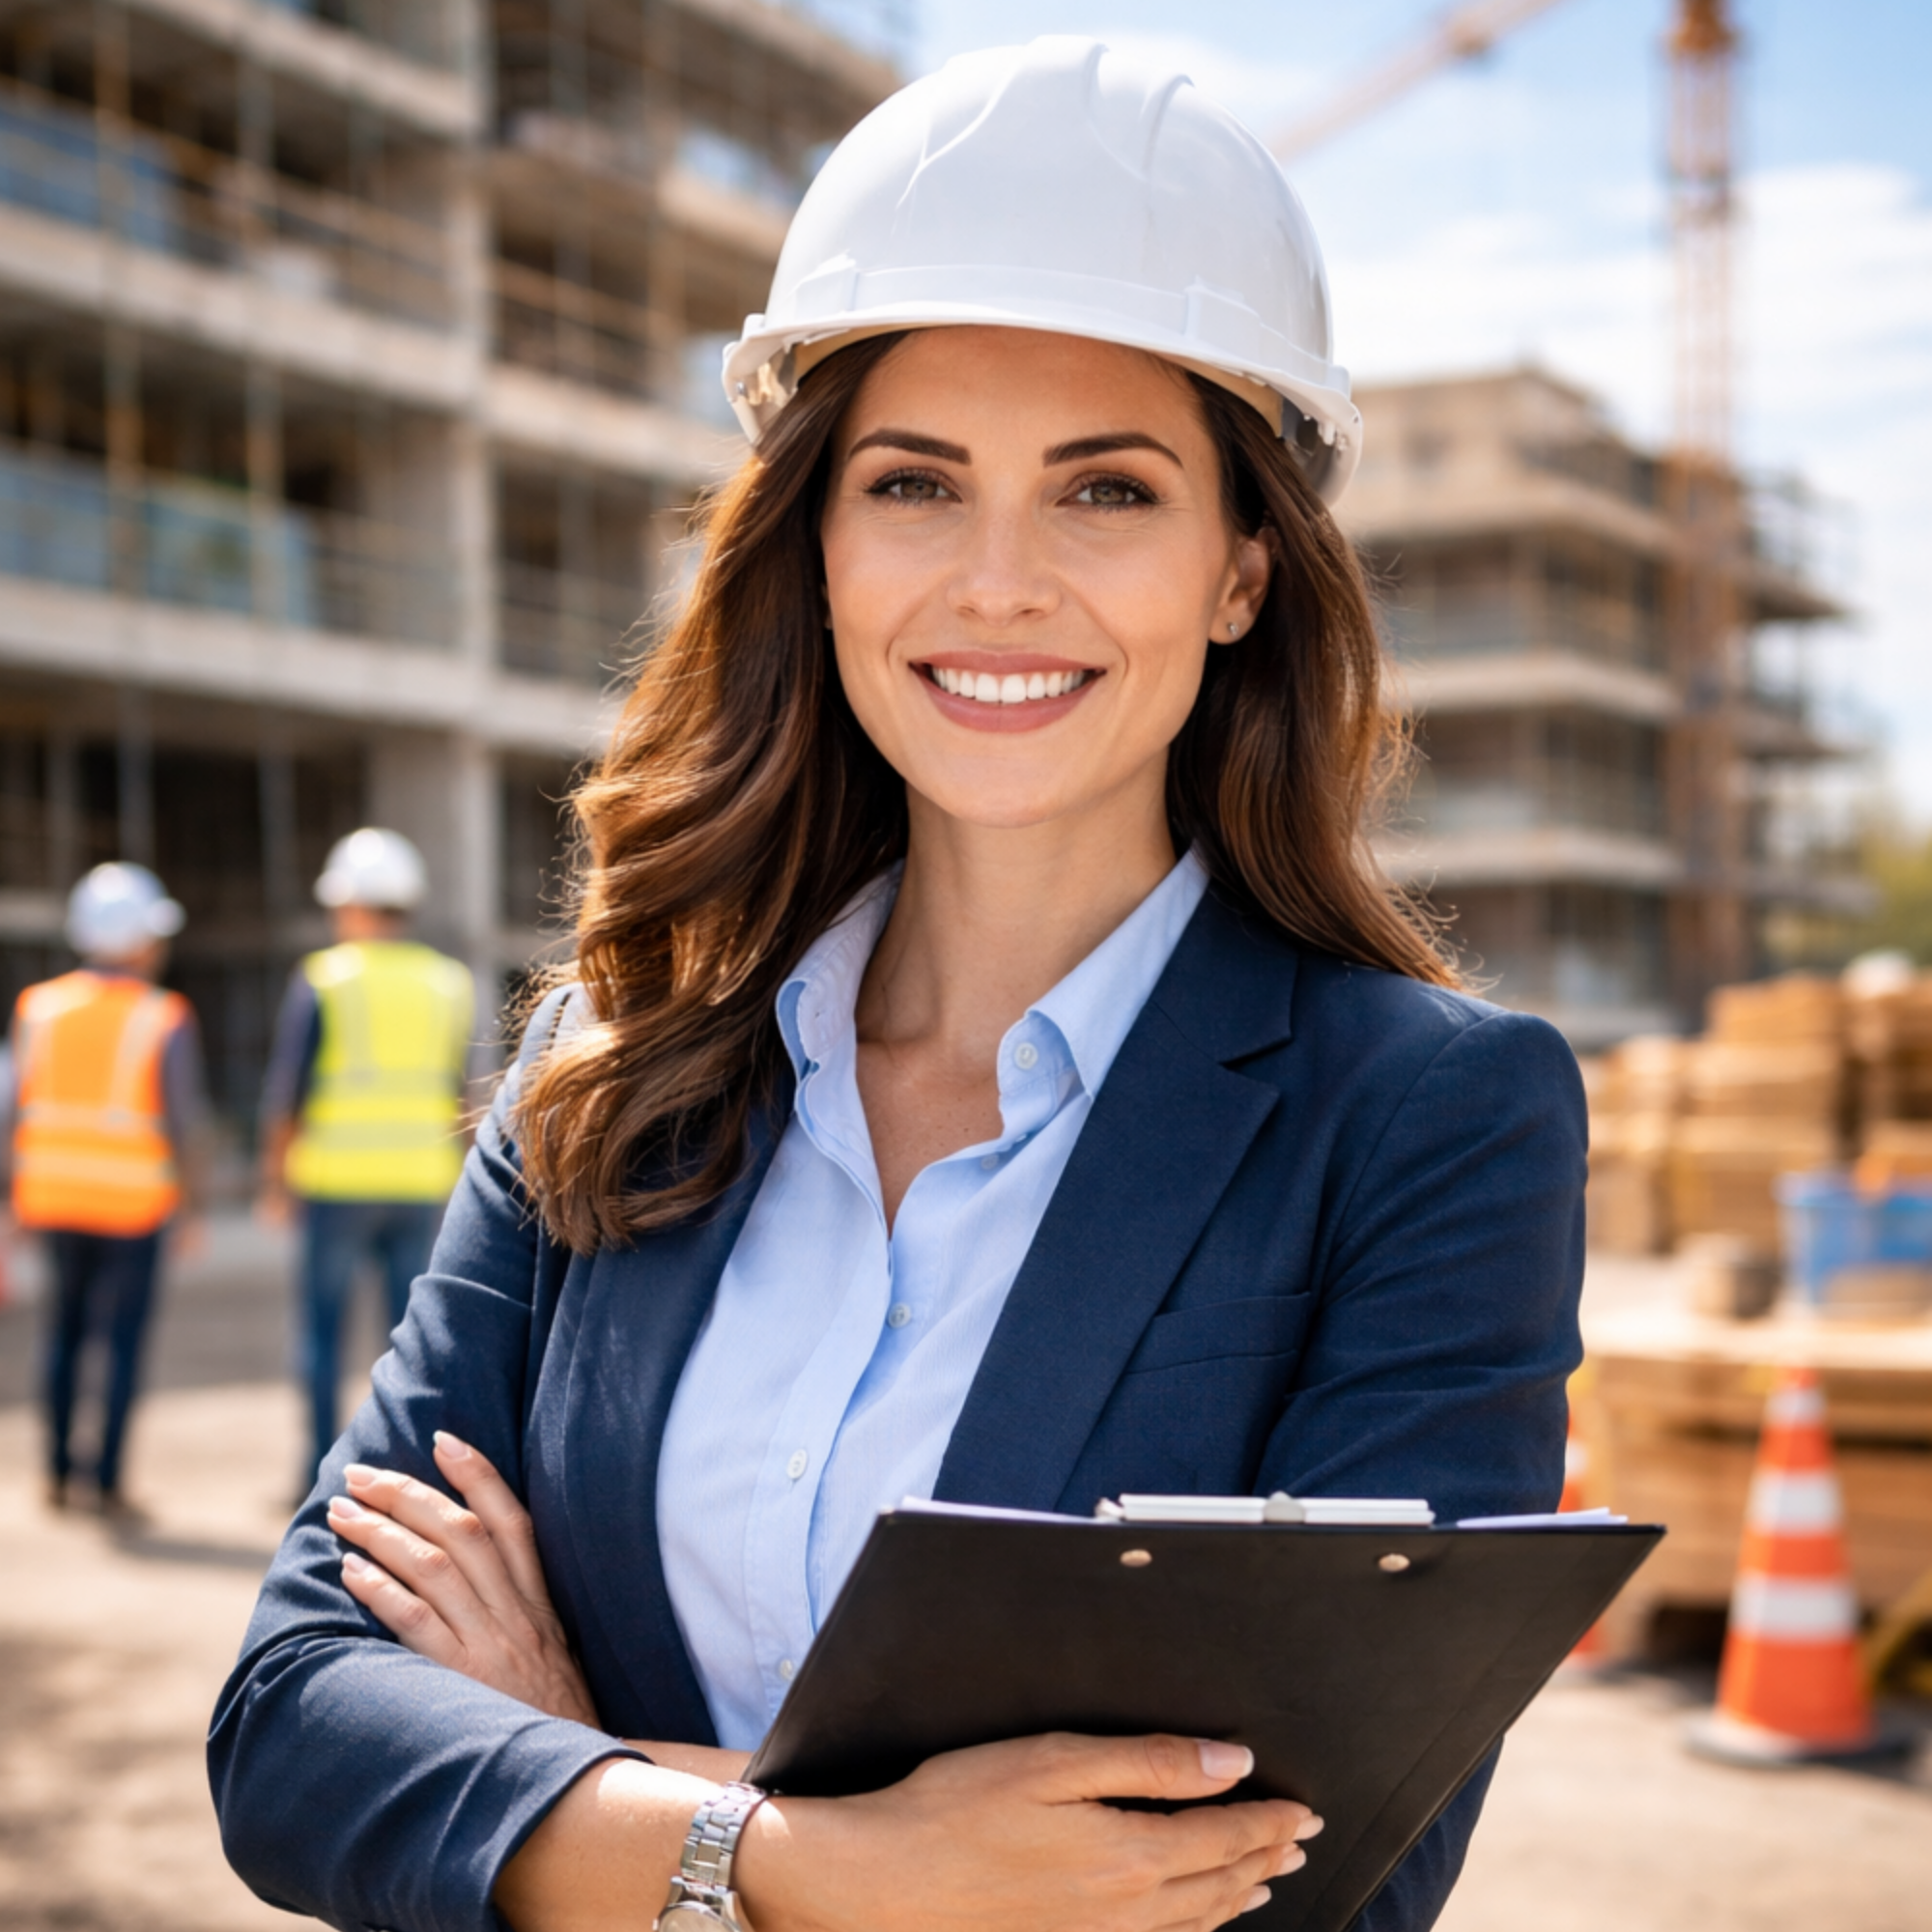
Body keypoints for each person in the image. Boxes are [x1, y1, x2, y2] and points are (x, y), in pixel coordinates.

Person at [213, 41, 1586, 1932]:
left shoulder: (1426, 1119)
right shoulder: (606, 1067)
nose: (997, 580)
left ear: (1241, 570)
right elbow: (292, 1727)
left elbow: (1318, 1886)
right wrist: (809, 1864)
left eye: (1104, 493)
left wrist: (564, 1766)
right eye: (916, 483)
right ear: (823, 542)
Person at [256, 827, 474, 1489]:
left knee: (322, 1334)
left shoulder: (325, 978)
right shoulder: (450, 982)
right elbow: (464, 1094)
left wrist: (275, 1179)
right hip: (418, 1184)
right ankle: (397, 1472)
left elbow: (287, 1092)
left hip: (337, 1184)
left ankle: (318, 1472)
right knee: (409, 1344)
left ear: (350, 905)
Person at [7, 863, 207, 1517]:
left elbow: (15, 1108)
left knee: (61, 1336)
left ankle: (59, 1475)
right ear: (142, 941)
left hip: (53, 1197)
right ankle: (108, 1481)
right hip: (132, 1205)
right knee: (120, 1345)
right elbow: (185, 1119)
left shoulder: (38, 1006)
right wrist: (193, 1204)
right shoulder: (163, 1015)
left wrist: (9, 1199)